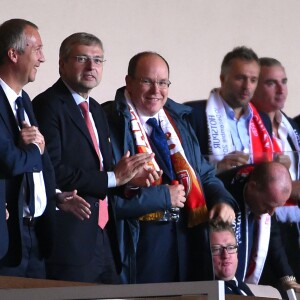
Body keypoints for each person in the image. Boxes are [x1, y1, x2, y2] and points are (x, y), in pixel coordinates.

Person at [102, 51, 238, 284]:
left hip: (187, 242)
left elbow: (204, 174)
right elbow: (104, 198)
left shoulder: (179, 120)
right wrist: (162, 197)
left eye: (163, 83)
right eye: (147, 81)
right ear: (129, 82)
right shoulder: (108, 121)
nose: (156, 90)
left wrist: (222, 199)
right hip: (142, 247)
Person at [32, 33, 154, 284]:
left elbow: (108, 173)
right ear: (62, 64)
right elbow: (51, 170)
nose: (91, 67)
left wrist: (129, 180)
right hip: (69, 240)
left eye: (98, 60)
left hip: (105, 238)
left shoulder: (97, 110)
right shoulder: (48, 105)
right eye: (82, 59)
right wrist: (113, 177)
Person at [0, 18, 59, 278]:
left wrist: (55, 195)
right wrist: (36, 149)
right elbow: (10, 161)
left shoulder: (24, 99)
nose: (43, 58)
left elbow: (36, 161)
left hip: (36, 234)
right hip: (7, 237)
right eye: (37, 49)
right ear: (13, 54)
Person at [186, 46, 274, 173]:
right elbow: (182, 166)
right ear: (222, 78)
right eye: (240, 78)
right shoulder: (193, 114)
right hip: (213, 191)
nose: (247, 86)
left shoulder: (263, 120)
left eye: (253, 80)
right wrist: (216, 168)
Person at [251, 57, 300, 283]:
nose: (281, 89)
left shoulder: (293, 127)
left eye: (284, 81)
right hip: (265, 229)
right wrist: (289, 190)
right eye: (271, 83)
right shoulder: (244, 128)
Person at [217, 162, 300, 292]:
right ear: (252, 187)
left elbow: (273, 237)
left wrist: (287, 278)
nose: (271, 213)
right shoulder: (224, 193)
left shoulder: (265, 197)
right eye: (268, 205)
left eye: (276, 207)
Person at [209, 219, 254, 296]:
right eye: (217, 249)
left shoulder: (243, 288)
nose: (225, 255)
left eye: (230, 248)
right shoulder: (207, 292)